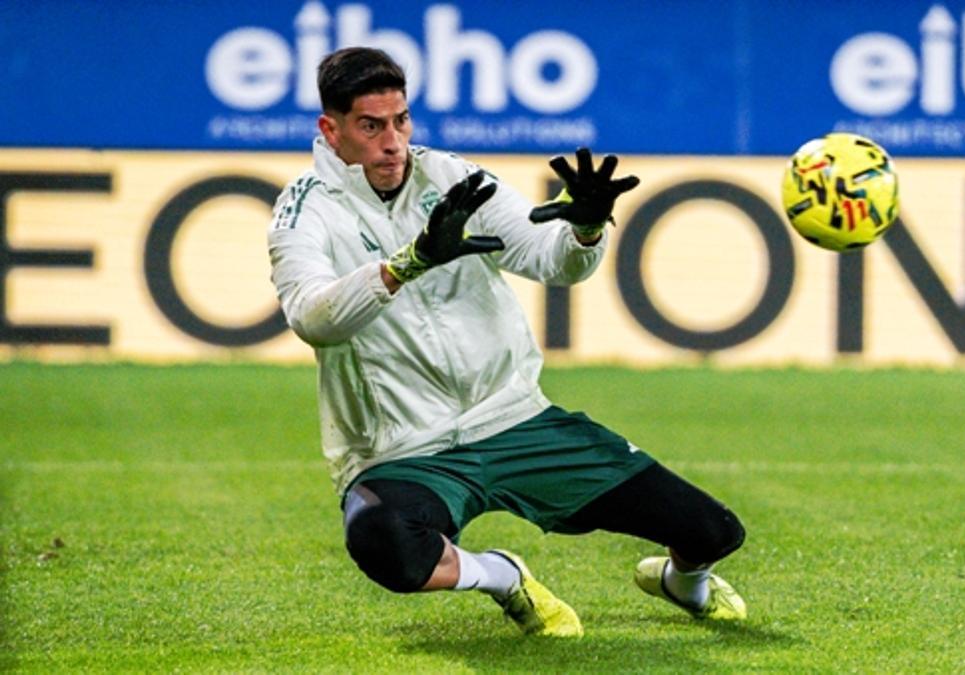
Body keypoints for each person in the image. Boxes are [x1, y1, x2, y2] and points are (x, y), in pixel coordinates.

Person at [267, 47, 746, 637]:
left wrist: (586, 228)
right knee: (383, 544)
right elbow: (312, 318)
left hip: (514, 421)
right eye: (371, 126)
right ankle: (501, 576)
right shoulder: (303, 210)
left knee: (715, 532)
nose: (392, 142)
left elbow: (553, 260)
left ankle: (683, 583)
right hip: (402, 446)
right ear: (330, 129)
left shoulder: (450, 178)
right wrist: (408, 264)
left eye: (402, 121)